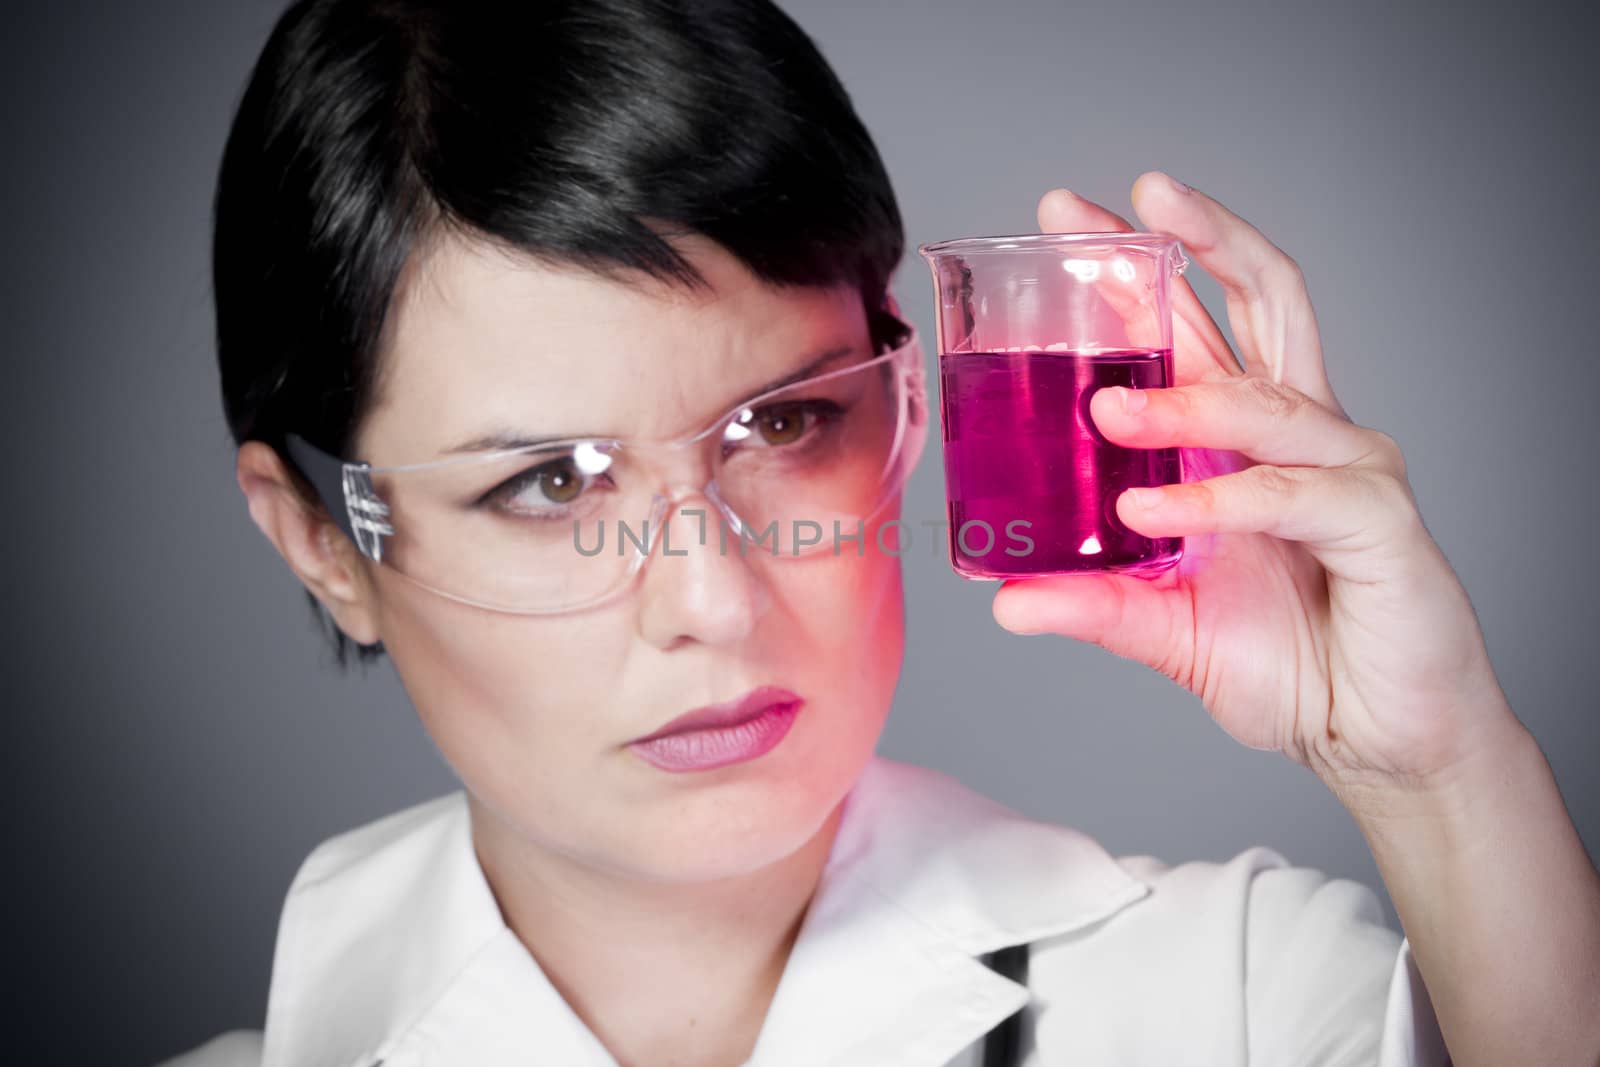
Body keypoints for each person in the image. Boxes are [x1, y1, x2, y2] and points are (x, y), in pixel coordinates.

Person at [159, 0, 1600, 1064]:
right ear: (322, 544)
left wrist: (1437, 775)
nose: (713, 601)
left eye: (784, 425)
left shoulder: (1237, 1003)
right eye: (550, 483)